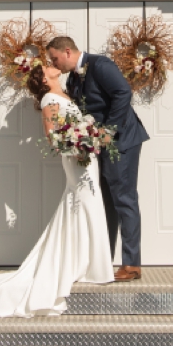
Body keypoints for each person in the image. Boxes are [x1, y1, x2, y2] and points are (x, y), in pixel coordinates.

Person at [0, 60, 114, 316]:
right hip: (76, 158)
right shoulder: (49, 99)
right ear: (45, 78)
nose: (52, 65)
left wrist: (89, 137)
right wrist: (79, 143)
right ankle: (87, 265)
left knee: (85, 205)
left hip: (86, 158)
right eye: (47, 66)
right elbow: (52, 136)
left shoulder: (65, 93)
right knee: (85, 204)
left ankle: (84, 263)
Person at [46, 36, 148, 282]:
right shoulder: (73, 77)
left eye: (56, 58)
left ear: (67, 51)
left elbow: (123, 93)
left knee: (124, 198)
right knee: (106, 201)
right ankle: (105, 259)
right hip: (98, 146)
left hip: (122, 142)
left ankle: (132, 264)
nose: (55, 64)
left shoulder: (100, 65)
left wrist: (108, 130)